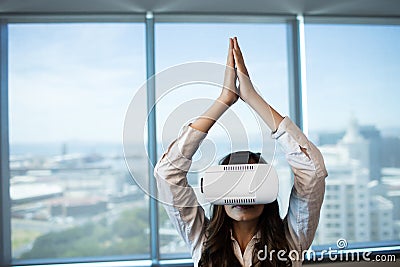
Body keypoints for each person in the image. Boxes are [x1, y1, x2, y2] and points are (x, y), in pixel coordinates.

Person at [154, 37, 328, 267]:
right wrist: (224, 100)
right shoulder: (202, 242)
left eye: (253, 181)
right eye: (232, 182)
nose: (242, 194)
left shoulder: (290, 242)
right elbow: (167, 175)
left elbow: (312, 173)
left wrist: (253, 98)